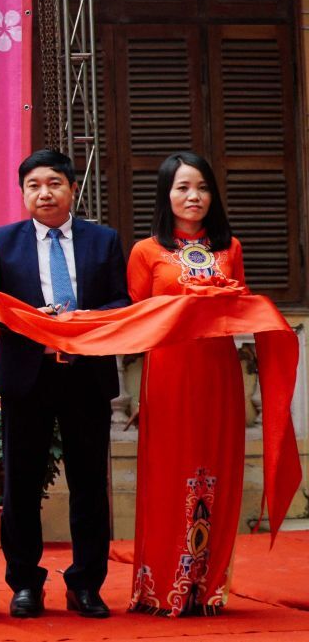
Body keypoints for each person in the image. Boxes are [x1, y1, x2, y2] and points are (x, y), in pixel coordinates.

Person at [0, 149, 127, 620]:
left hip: (86, 375)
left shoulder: (103, 240)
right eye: (33, 185)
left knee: (89, 485)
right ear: (22, 192)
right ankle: (25, 583)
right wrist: (27, 317)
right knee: (21, 486)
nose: (44, 193)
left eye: (53, 184)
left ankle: (86, 584)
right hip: (28, 376)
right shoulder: (1, 241)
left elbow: (121, 301)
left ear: (72, 188)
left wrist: (83, 319)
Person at [126, 151, 249, 617]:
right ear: (166, 194)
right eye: (182, 187)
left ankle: (208, 586)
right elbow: (137, 318)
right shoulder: (146, 251)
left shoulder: (229, 248)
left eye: (201, 187)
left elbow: (240, 307)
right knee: (168, 472)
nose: (193, 196)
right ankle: (162, 586)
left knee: (215, 468)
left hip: (218, 371)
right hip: (169, 371)